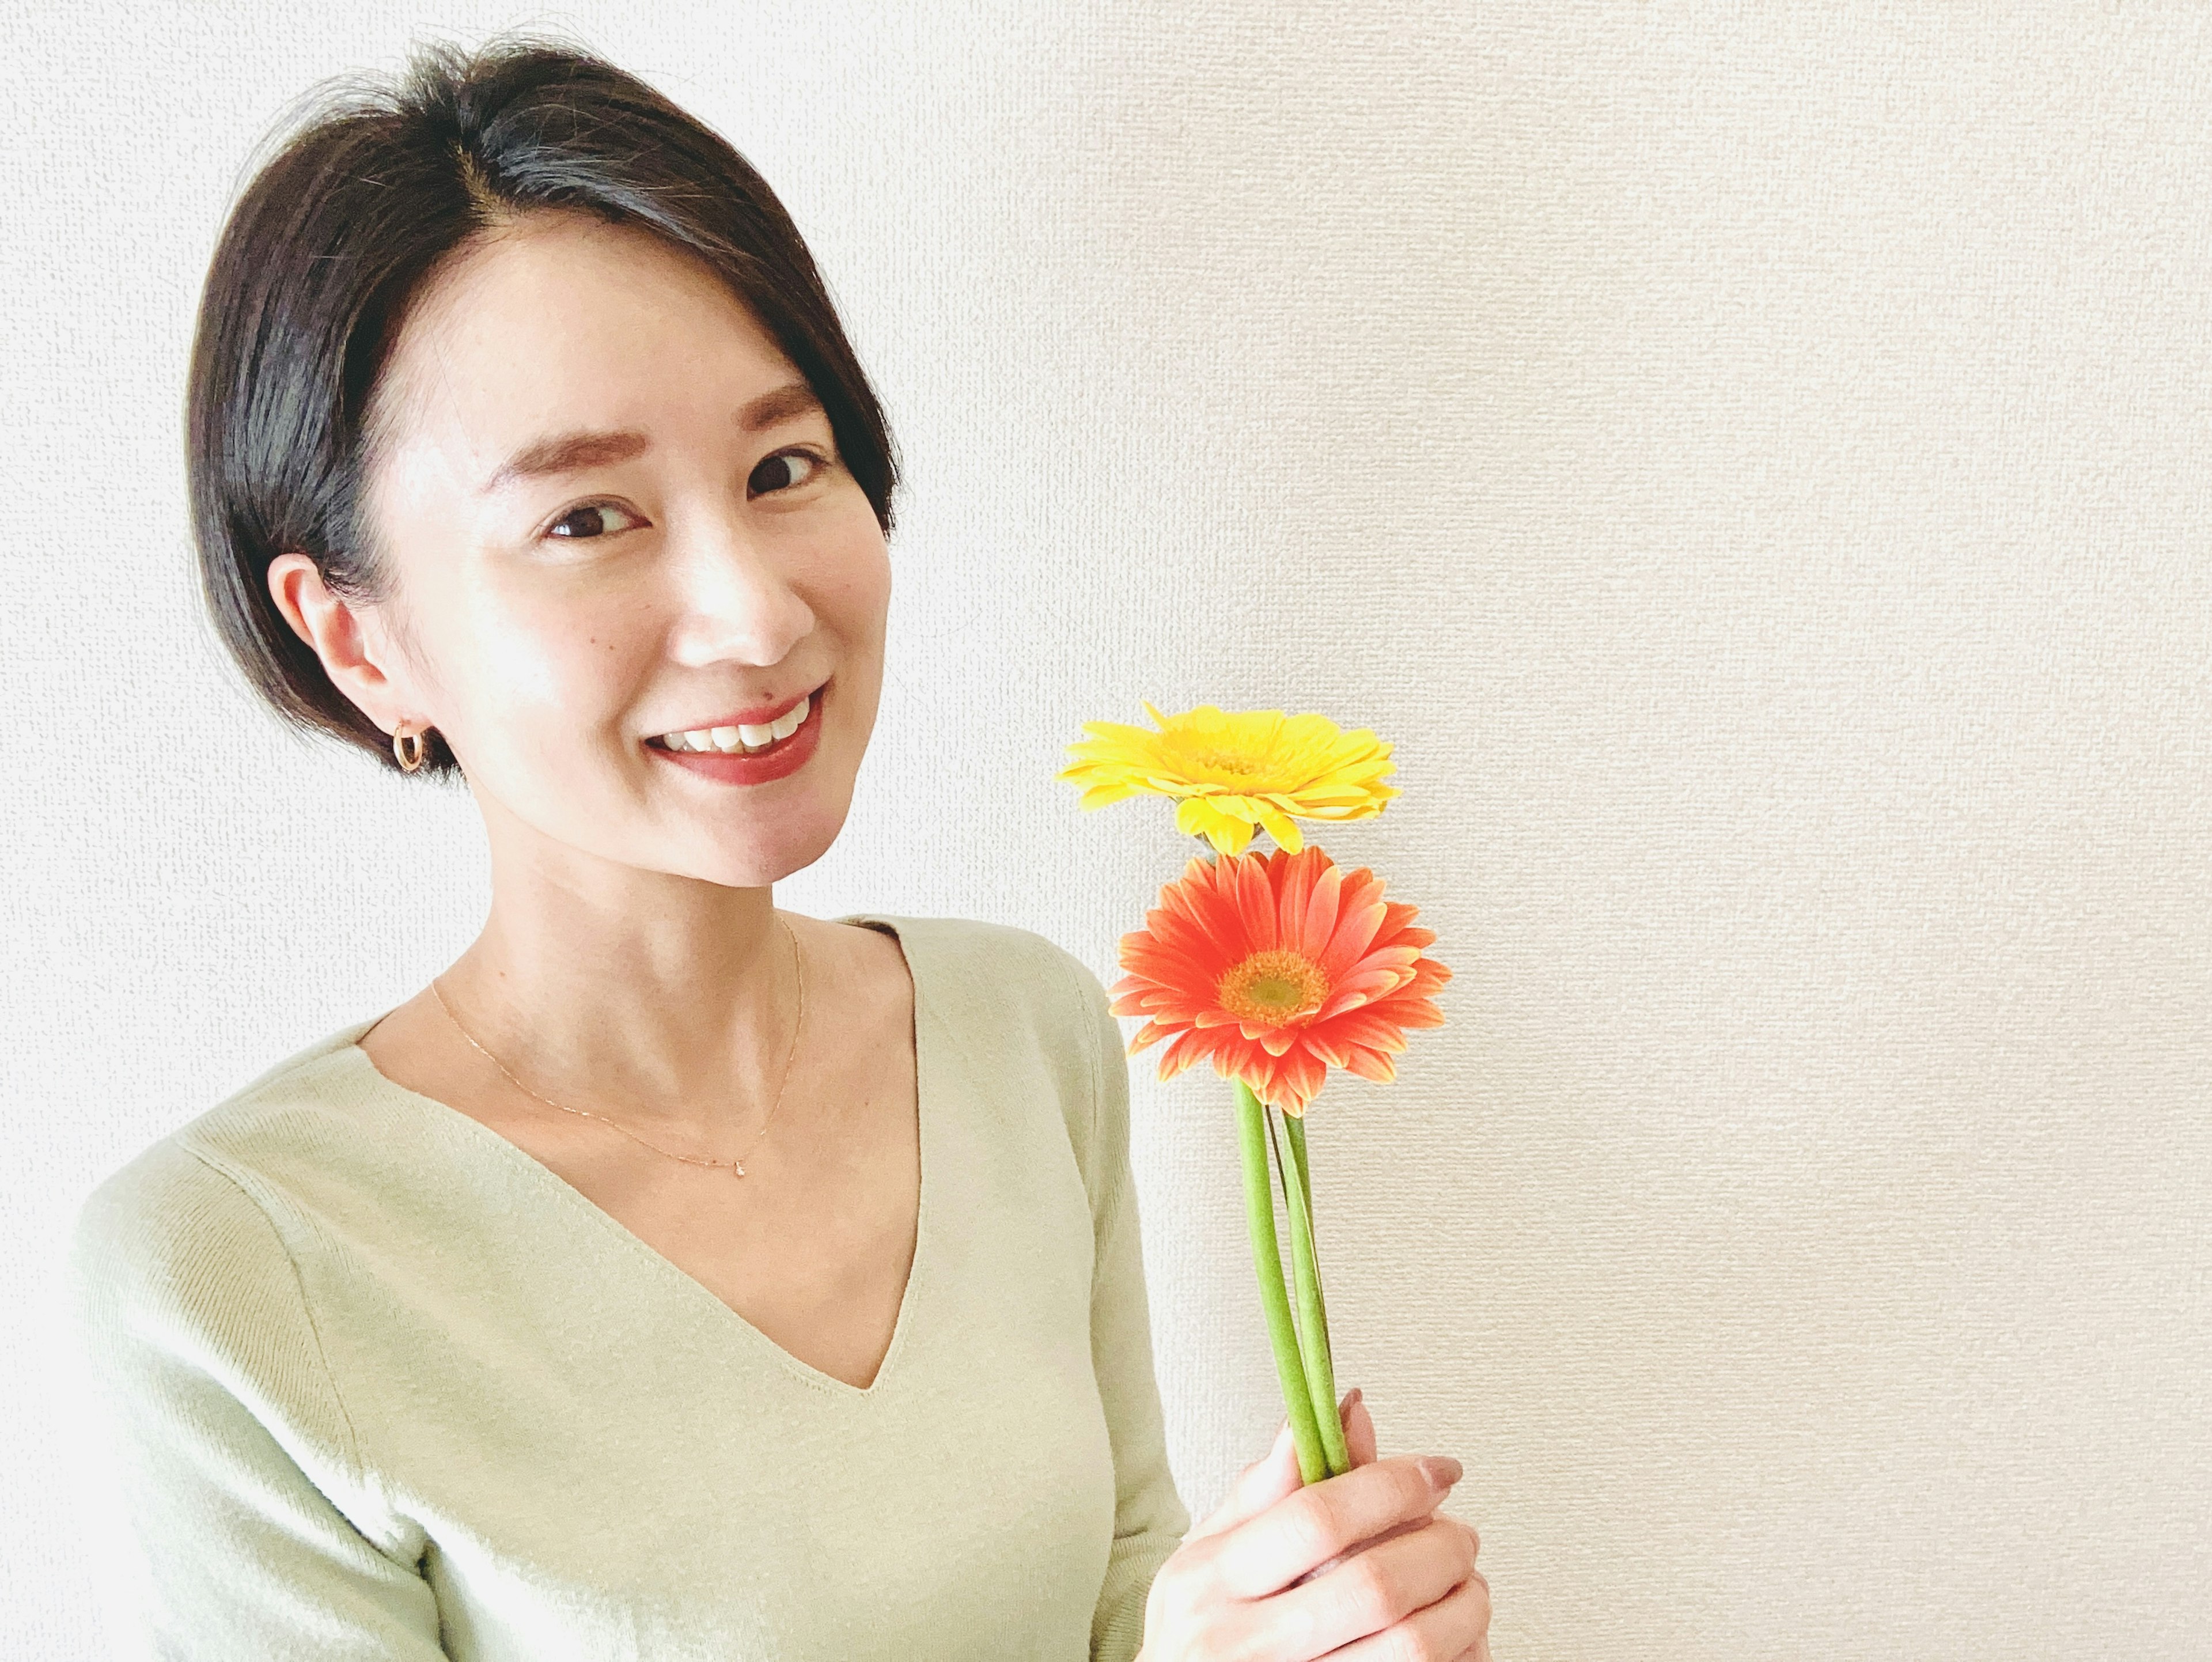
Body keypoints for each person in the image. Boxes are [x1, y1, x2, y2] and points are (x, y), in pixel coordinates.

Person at [63, 33, 1491, 1661]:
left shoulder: (1022, 1032)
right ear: (359, 641)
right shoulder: (233, 1271)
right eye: (587, 518)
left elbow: (1112, 1594)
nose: (754, 611)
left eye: (783, 467)